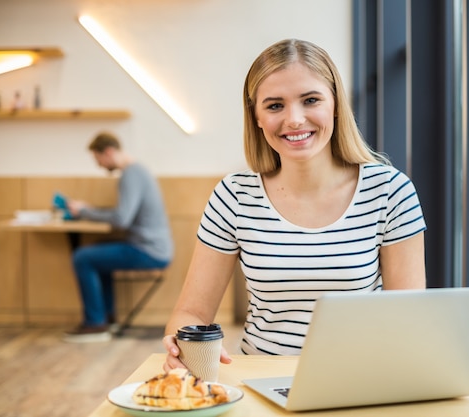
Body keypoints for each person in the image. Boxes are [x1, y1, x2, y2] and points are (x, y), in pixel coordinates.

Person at [163, 39, 426, 370]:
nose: (295, 120)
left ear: (335, 104)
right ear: (256, 117)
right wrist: (181, 348)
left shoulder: (390, 191)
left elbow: (409, 317)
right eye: (275, 106)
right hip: (261, 380)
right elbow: (192, 313)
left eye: (311, 100)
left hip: (361, 379)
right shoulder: (234, 196)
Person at [63, 132, 174, 343]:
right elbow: (124, 213)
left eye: (98, 160)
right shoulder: (138, 171)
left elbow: (122, 219)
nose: (99, 166)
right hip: (152, 247)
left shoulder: (131, 174)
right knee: (97, 253)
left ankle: (96, 324)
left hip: (148, 250)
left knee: (83, 257)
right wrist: (90, 209)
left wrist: (84, 212)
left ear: (108, 152)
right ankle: (107, 318)